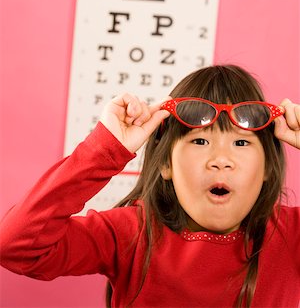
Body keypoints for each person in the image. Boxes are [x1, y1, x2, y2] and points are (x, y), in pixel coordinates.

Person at [0, 64, 299, 308]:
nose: (221, 160)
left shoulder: (291, 237)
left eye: (241, 142)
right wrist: (105, 151)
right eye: (200, 140)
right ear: (166, 164)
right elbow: (16, 246)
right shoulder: (131, 233)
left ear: (267, 169)